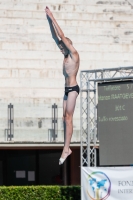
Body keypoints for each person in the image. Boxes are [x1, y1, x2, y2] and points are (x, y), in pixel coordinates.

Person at [45, 6, 80, 165]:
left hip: (73, 89)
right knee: (64, 117)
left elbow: (61, 36)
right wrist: (48, 20)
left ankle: (67, 148)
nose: (61, 49)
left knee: (68, 118)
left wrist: (53, 17)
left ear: (68, 46)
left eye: (63, 47)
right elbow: (55, 37)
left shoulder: (74, 54)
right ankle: (66, 148)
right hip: (66, 90)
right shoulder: (65, 56)